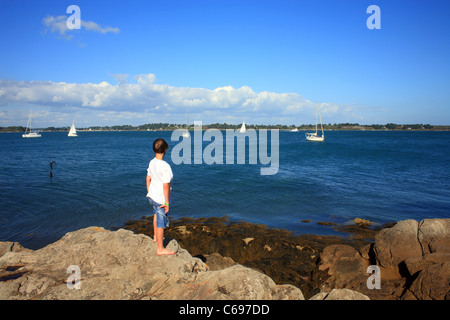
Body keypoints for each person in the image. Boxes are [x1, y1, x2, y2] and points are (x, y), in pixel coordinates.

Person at [146, 138, 175, 256]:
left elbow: (148, 178)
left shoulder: (152, 162)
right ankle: (160, 248)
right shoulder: (165, 166)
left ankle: (155, 236)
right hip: (160, 199)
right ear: (165, 149)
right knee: (161, 222)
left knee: (156, 214)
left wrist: (150, 191)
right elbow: (165, 185)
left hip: (152, 196)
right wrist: (167, 202)